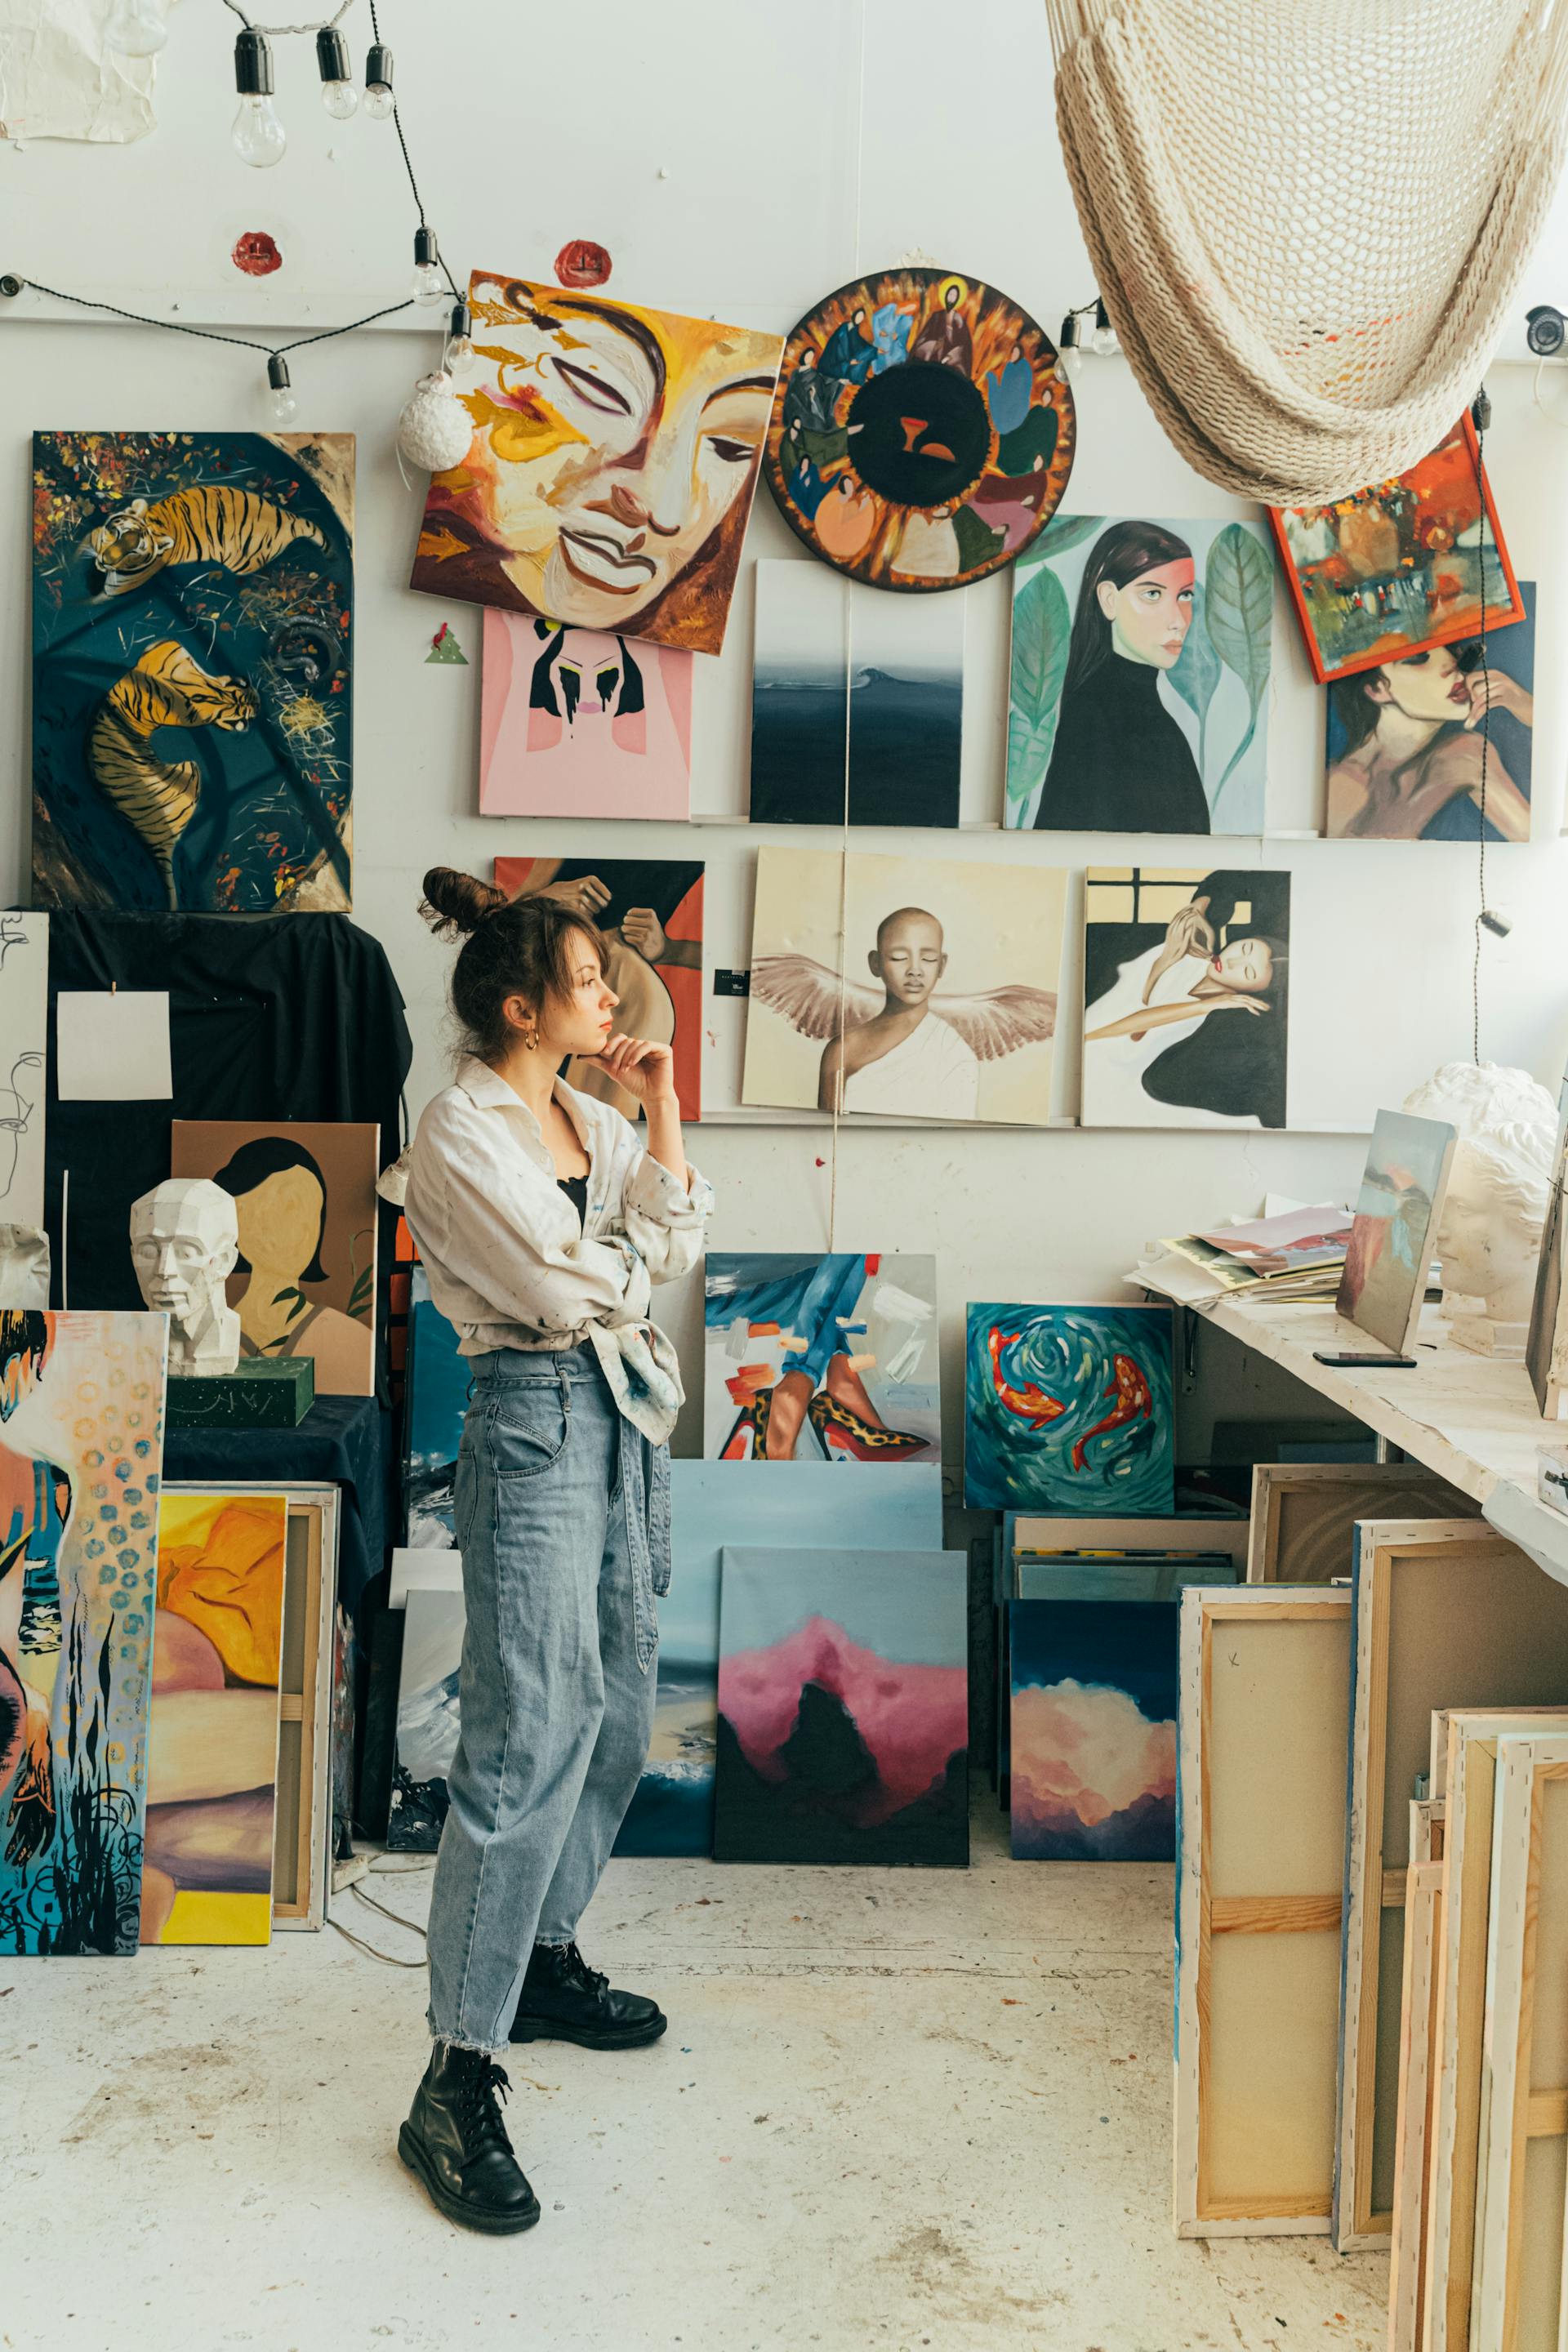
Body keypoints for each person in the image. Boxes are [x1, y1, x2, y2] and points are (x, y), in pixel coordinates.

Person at [395, 868, 710, 2235]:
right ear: (522, 1005)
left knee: (624, 1711)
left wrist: (664, 1112)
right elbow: (566, 1289)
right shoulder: (460, 1132)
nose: (614, 997)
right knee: (527, 1737)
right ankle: (455, 2076)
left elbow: (669, 1249)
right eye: (592, 981)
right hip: (532, 1421)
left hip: (624, 1418)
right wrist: (631, 1253)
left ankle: (542, 1953)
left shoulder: (590, 1108)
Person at [1032, 521, 1211, 834]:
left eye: (1185, 596)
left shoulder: (1140, 716)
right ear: (1109, 600)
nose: (1177, 621)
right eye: (1153, 594)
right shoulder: (1094, 716)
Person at [1084, 875, 1289, 1129]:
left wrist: (1206, 1005)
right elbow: (1132, 1010)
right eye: (1244, 948)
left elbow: (1126, 1030)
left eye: (1247, 973)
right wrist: (1196, 909)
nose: (1233, 962)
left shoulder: (1218, 1013)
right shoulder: (1190, 958)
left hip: (1112, 1071)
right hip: (1096, 1049)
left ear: (1254, 990)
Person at [210, 1136, 373, 1392]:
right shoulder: (206, 1338)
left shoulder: (355, 1340)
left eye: (310, 1210)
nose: (302, 1228)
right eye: (284, 1207)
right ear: (235, 1215)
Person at [1326, 643, 1532, 840]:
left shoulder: (1466, 756)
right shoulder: (1344, 788)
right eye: (1418, 658)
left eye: (1450, 648)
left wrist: (1528, 708)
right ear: (1377, 689)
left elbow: (1540, 840)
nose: (1452, 664)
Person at [818, 906, 979, 1119]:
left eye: (928, 959)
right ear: (875, 963)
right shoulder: (842, 1050)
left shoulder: (954, 1053)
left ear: (942, 965)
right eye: (898, 957)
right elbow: (825, 1136)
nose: (915, 970)